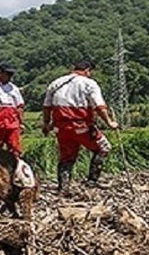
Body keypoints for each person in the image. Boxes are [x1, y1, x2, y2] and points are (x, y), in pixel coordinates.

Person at [41, 60, 119, 191]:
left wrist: (46, 124)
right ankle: (92, 181)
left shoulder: (56, 83)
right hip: (81, 126)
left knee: (66, 157)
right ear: (88, 71)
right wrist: (110, 122)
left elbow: (47, 107)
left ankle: (63, 186)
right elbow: (99, 106)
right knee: (103, 148)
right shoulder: (89, 83)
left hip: (61, 128)